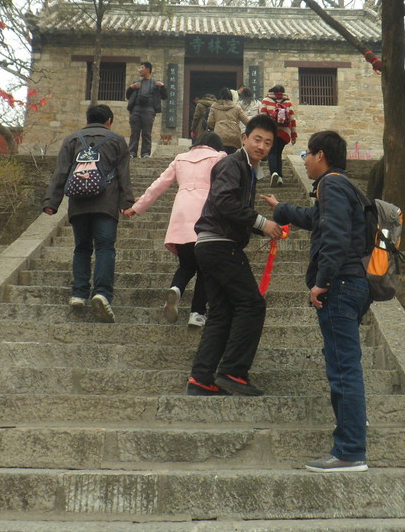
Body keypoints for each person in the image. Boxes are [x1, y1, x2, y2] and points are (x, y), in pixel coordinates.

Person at [263, 130, 371, 472]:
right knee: (344, 365)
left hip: (341, 284)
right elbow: (318, 220)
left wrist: (322, 282)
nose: (305, 160)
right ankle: (352, 433)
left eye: (306, 154)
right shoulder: (343, 186)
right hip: (355, 282)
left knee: (343, 370)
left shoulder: (331, 184)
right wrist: (282, 209)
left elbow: (335, 236)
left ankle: (350, 451)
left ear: (320, 155)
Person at [186, 114, 283, 396]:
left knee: (220, 313)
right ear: (244, 138)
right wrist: (262, 223)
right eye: (257, 139)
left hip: (211, 244)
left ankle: (201, 379)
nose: (262, 146)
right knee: (252, 304)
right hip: (220, 245)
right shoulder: (232, 163)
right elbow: (223, 201)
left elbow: (230, 211)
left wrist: (263, 229)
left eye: (268, 143)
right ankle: (233, 372)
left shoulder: (248, 169)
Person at [122, 131, 225, 327]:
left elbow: (158, 185)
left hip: (181, 216)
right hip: (206, 218)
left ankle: (176, 289)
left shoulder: (180, 158)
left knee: (186, 265)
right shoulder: (219, 157)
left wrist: (137, 206)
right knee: (206, 269)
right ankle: (197, 314)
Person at [43, 103, 134, 323]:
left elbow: (61, 172)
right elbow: (123, 174)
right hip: (106, 204)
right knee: (105, 248)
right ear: (109, 121)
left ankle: (79, 293)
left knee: (82, 248)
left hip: (78, 204)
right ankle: (102, 293)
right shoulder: (116, 140)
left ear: (87, 119)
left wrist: (51, 202)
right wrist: (126, 202)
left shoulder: (72, 140)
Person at [126, 61, 168, 158]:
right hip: (136, 109)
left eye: (142, 68)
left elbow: (164, 97)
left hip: (149, 109)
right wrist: (131, 88)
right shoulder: (136, 83)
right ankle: (132, 152)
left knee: (147, 132)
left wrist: (162, 87)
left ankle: (145, 153)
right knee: (134, 132)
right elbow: (128, 96)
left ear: (148, 69)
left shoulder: (156, 83)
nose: (139, 70)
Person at [259, 85, 297, 186]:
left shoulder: (266, 100)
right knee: (279, 153)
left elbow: (262, 117)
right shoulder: (288, 101)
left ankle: (274, 173)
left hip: (271, 131)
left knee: (272, 152)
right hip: (284, 132)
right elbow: (292, 119)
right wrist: (294, 135)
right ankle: (280, 176)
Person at [207, 87, 249, 154]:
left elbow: (210, 122)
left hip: (219, 136)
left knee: (220, 157)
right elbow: (246, 121)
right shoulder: (236, 107)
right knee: (231, 157)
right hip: (234, 137)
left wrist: (217, 125)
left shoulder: (214, 106)